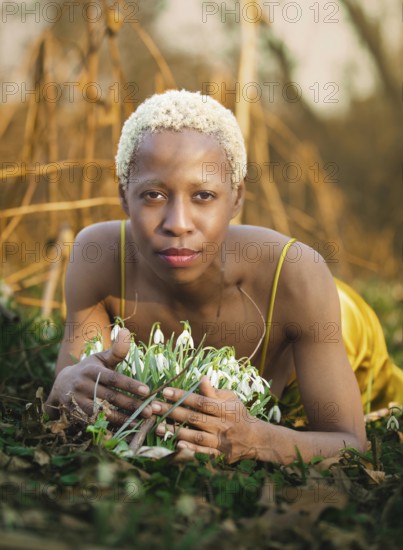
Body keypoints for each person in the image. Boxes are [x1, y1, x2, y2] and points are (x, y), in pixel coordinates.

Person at [45, 90, 403, 464]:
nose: (178, 224)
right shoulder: (99, 258)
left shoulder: (297, 275)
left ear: (236, 198)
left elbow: (348, 441)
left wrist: (257, 439)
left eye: (202, 195)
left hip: (342, 324)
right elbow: (71, 397)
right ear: (123, 196)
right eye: (153, 195)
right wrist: (66, 388)